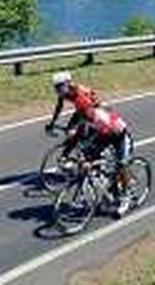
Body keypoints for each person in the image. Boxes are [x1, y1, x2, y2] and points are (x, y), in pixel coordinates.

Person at [45, 71, 135, 216]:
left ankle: (126, 197)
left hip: (119, 134)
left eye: (60, 87)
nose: (58, 91)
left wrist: (81, 146)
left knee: (120, 165)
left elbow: (91, 132)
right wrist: (67, 154)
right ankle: (100, 189)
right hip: (103, 133)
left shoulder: (93, 114)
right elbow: (79, 135)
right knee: (87, 155)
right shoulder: (84, 113)